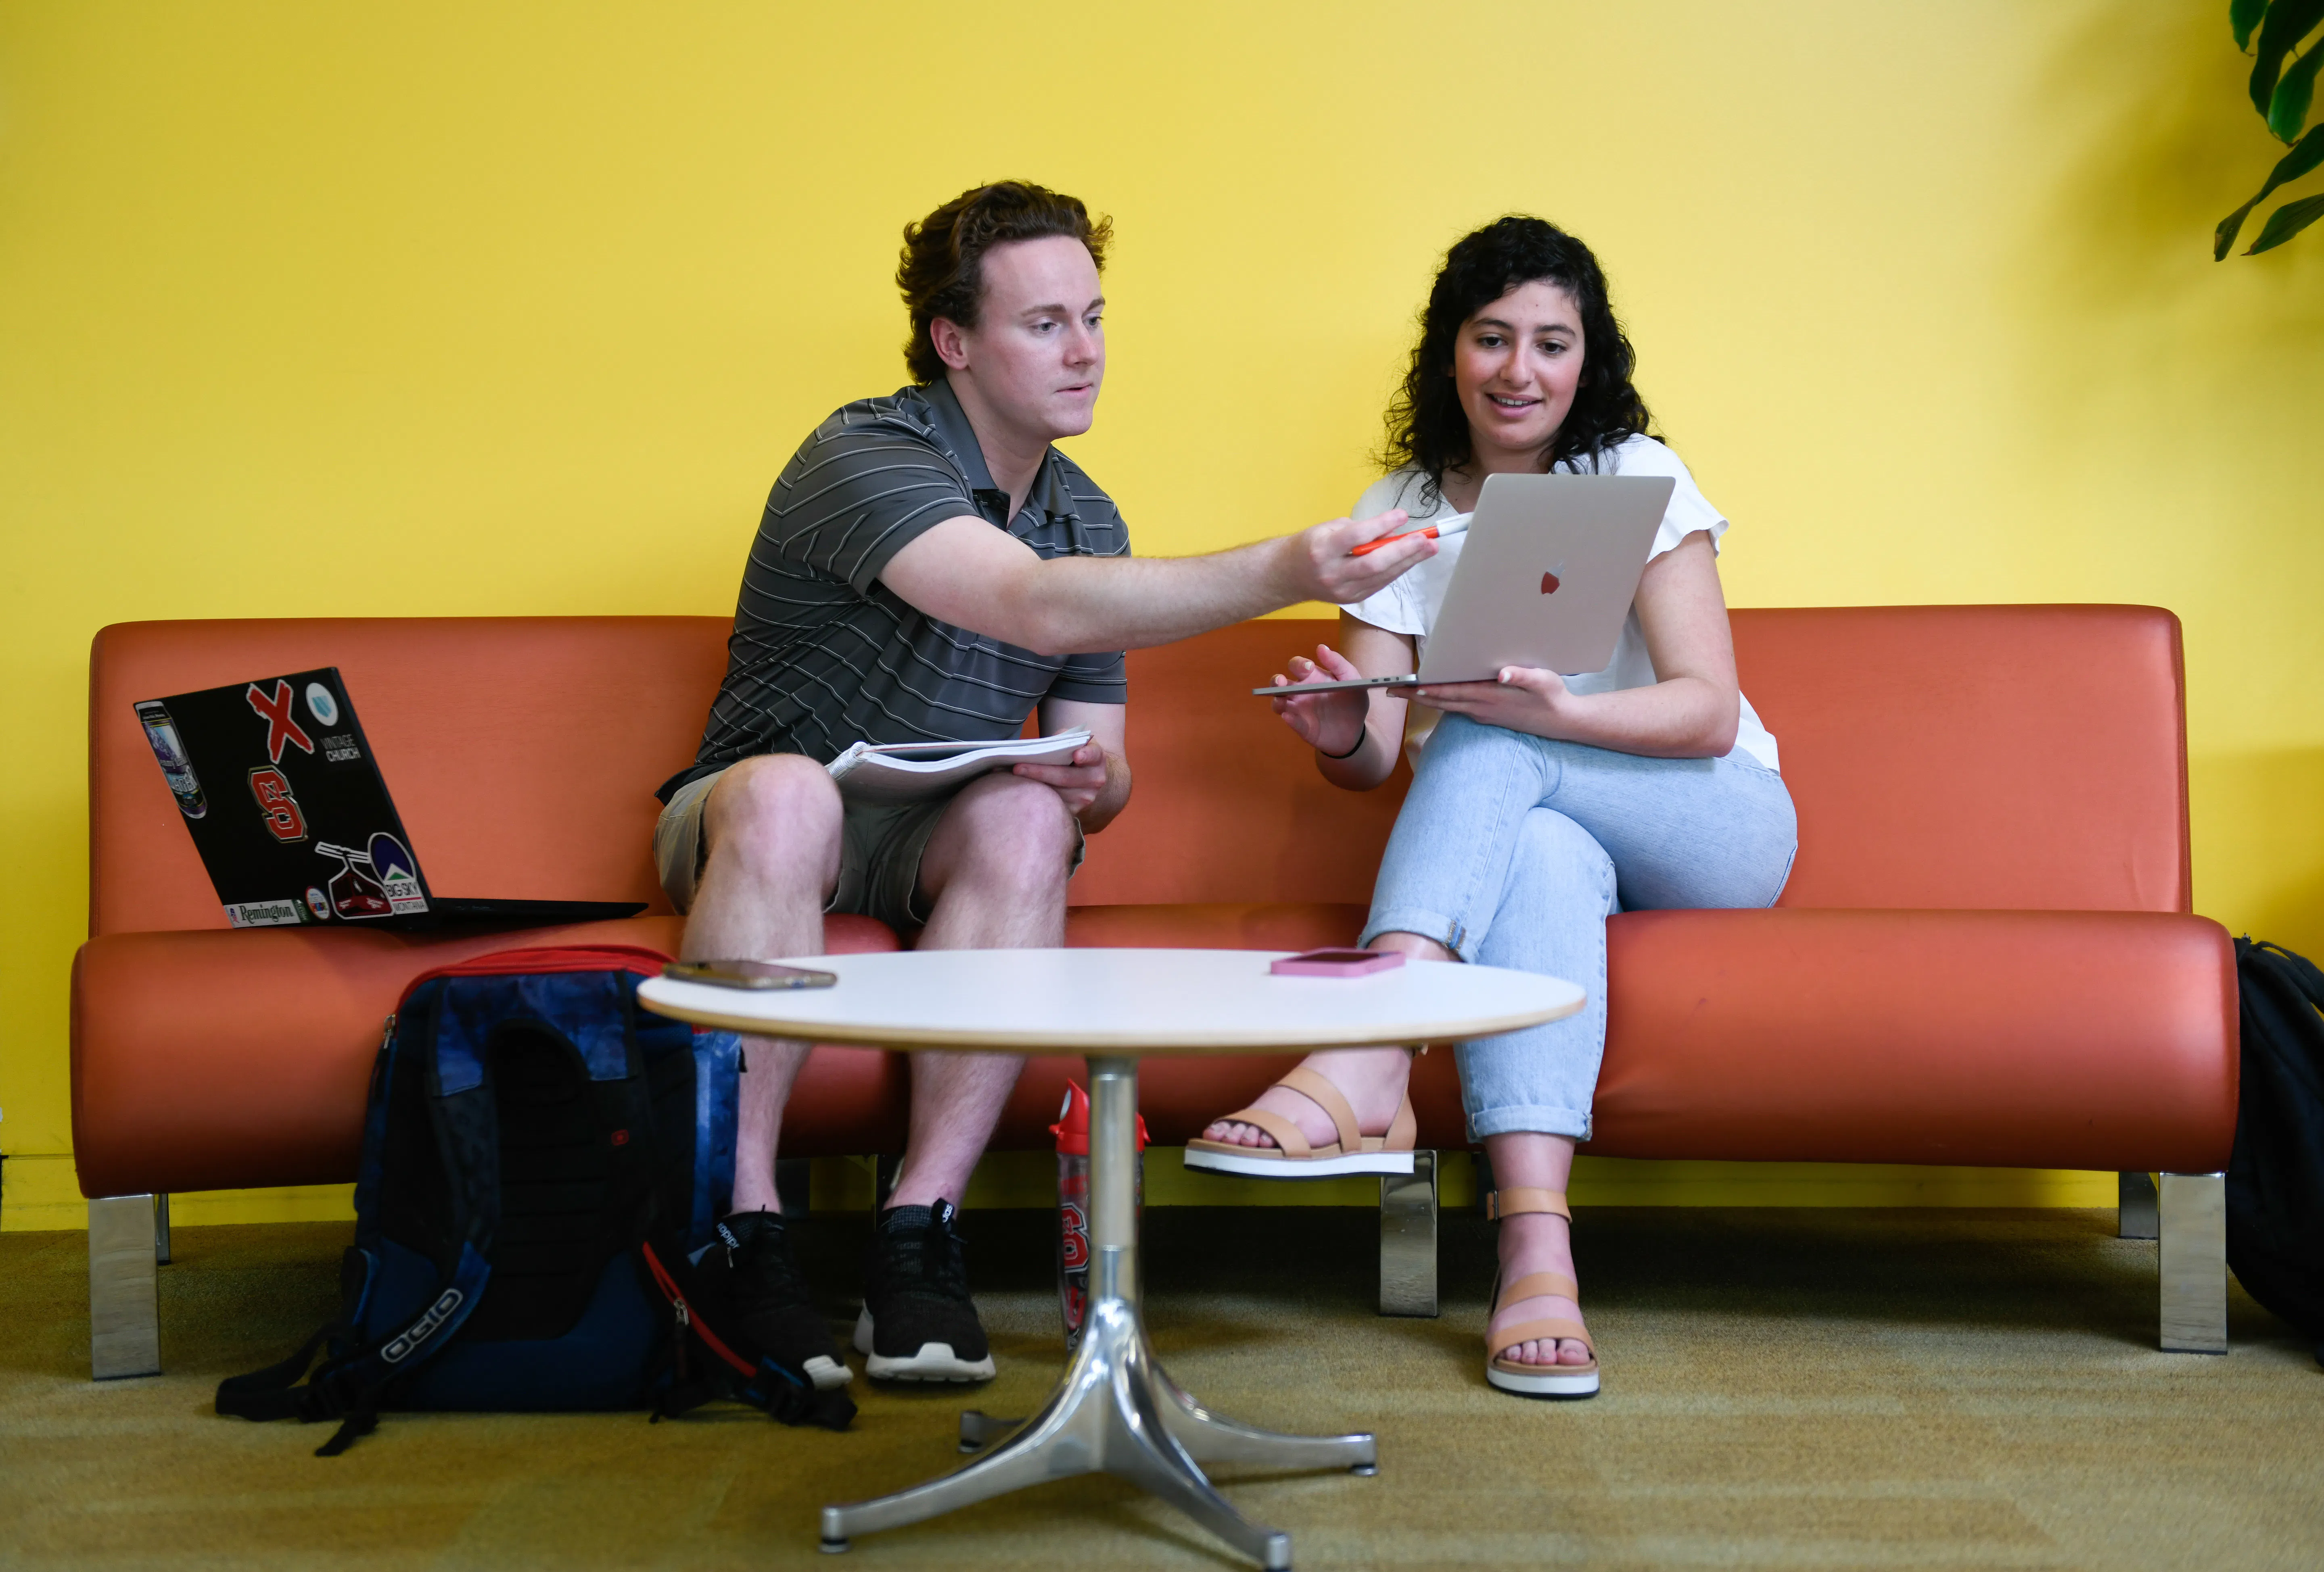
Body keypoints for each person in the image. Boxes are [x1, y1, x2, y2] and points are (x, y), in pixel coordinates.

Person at [654, 180, 1434, 1392]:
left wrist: (1088, 779)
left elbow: (1100, 771)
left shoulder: (1090, 516)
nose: (1086, 353)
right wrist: (1290, 565)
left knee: (1024, 816)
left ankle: (920, 1232)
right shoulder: (862, 452)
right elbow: (1026, 600)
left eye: (1096, 317)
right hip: (754, 822)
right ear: (953, 342)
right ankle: (742, 1231)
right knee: (790, 793)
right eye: (1045, 324)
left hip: (932, 839)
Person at [1186, 216, 1797, 1400]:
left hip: (1716, 821)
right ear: (1451, 352)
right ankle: (1536, 1259)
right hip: (1550, 830)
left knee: (1489, 730)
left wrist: (1549, 714)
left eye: (1553, 344)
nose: (1521, 371)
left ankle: (1368, 1054)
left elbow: (1707, 715)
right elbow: (1371, 755)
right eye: (1493, 338)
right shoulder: (1405, 503)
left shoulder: (1635, 476)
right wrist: (1338, 737)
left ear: (1589, 361)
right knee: (1547, 856)